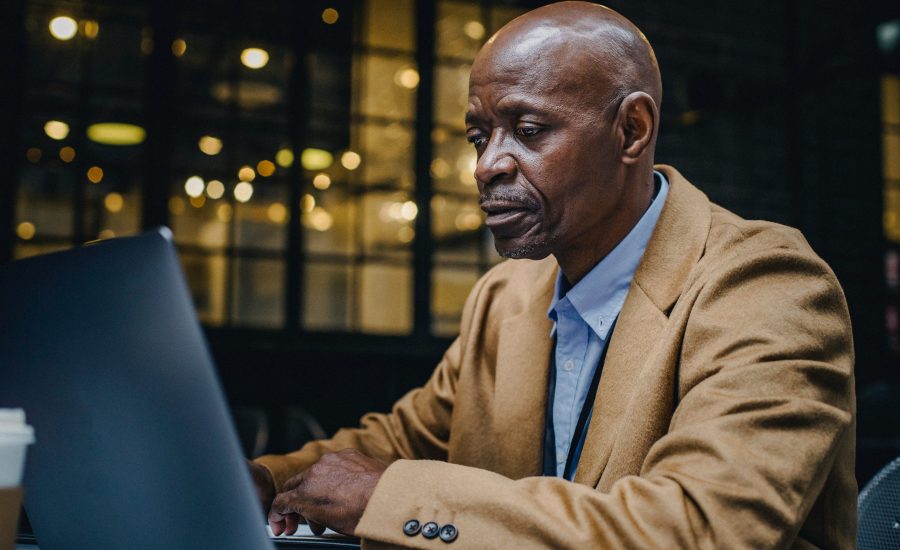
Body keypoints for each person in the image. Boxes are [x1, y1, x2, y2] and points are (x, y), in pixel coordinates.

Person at [249, 2, 856, 547]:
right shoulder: (505, 295)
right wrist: (261, 479)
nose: (486, 166)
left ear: (632, 130)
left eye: (529, 131)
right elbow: (401, 440)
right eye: (479, 136)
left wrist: (394, 499)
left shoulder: (768, 285)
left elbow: (706, 527)